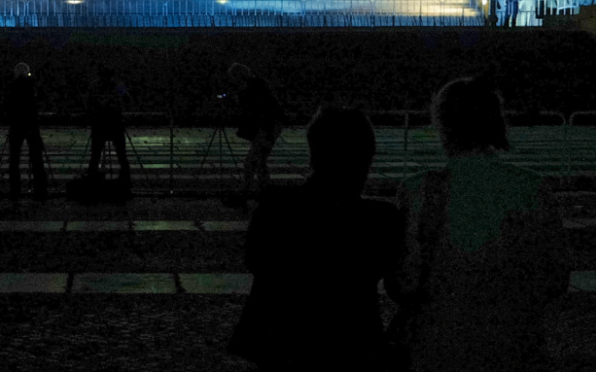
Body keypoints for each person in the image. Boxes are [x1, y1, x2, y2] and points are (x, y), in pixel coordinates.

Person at [392, 75, 569, 370]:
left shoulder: (418, 191)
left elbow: (404, 283)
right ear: (496, 121)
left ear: (442, 125)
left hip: (438, 346)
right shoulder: (532, 188)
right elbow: (555, 279)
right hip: (515, 345)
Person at [227, 106, 403, 368]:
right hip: (353, 346)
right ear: (366, 159)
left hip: (282, 345)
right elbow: (398, 285)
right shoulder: (381, 218)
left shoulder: (276, 207)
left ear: (314, 152)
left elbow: (254, 261)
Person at [227, 62, 284, 201]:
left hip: (267, 128)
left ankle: (246, 192)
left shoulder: (253, 88)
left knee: (252, 162)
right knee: (259, 162)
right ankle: (262, 192)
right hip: (269, 128)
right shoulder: (258, 85)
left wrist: (239, 98)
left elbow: (256, 111)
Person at [2, 61, 49, 200]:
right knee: (36, 158)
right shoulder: (33, 85)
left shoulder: (11, 86)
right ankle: (40, 188)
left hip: (16, 125)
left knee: (14, 159)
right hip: (31, 125)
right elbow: (41, 101)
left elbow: (6, 105)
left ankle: (15, 189)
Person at [84, 64, 131, 191]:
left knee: (97, 154)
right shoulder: (117, 86)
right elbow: (127, 99)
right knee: (119, 153)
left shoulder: (95, 86)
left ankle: (93, 177)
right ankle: (125, 177)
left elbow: (88, 104)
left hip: (102, 123)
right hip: (112, 122)